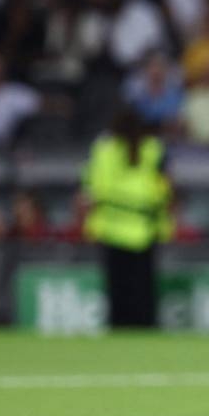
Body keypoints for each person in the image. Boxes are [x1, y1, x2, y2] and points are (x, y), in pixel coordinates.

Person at [82, 106, 173, 327]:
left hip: (112, 226)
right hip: (143, 227)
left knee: (118, 285)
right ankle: (145, 325)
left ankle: (118, 325)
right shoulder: (153, 149)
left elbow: (92, 191)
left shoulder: (105, 150)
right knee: (143, 286)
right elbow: (165, 188)